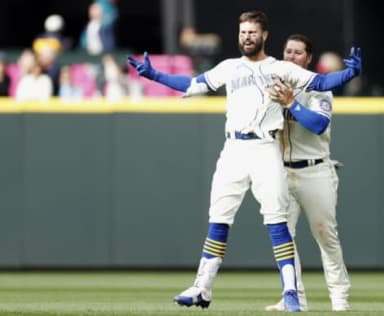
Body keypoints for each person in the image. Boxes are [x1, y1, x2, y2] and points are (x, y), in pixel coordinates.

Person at [127, 10, 361, 311]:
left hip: (266, 147)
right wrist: (155, 75)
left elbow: (321, 81)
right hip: (233, 148)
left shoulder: (281, 68)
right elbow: (192, 83)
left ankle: (291, 293)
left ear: (264, 35)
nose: (246, 37)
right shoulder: (229, 67)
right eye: (242, 32)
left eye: (252, 32)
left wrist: (350, 74)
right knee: (219, 217)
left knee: (277, 221)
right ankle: (203, 287)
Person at [264, 34, 352, 312]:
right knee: (283, 237)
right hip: (281, 171)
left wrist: (291, 104)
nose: (290, 57)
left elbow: (317, 125)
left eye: (297, 53)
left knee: (325, 235)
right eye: (287, 51)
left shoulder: (319, 89)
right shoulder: (270, 86)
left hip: (315, 169)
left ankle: (339, 296)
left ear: (308, 58)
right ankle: (294, 294)